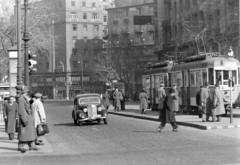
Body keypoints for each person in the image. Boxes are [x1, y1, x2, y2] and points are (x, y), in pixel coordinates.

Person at [16, 85, 39, 153]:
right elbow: (21, 110)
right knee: (23, 134)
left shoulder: (24, 99)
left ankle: (32, 145)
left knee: (30, 133)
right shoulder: (21, 99)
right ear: (25, 92)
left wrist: (31, 101)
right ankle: (21, 146)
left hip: (28, 118)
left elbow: (27, 105)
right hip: (25, 118)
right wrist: (24, 119)